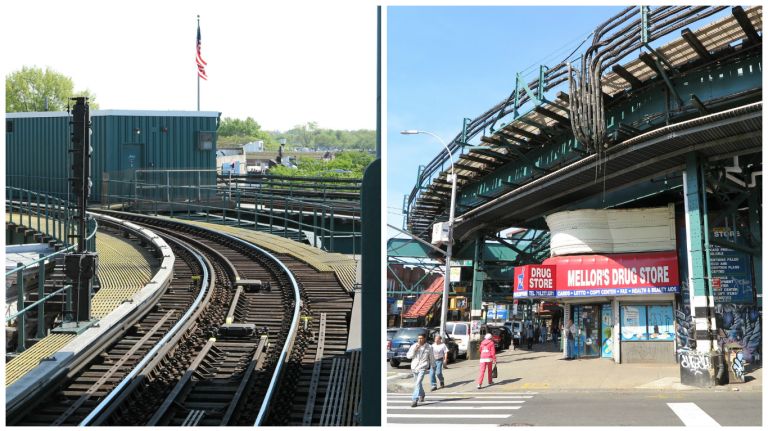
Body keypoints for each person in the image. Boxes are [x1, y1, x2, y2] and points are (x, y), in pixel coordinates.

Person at [406, 333, 434, 407]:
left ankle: (414, 399)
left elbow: (431, 357)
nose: (419, 340)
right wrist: (414, 350)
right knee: (418, 383)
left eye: (421, 338)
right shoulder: (414, 346)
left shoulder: (429, 347)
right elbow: (408, 356)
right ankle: (422, 394)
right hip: (414, 367)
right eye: (418, 338)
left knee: (418, 383)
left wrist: (433, 366)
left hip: (423, 367)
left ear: (424, 338)